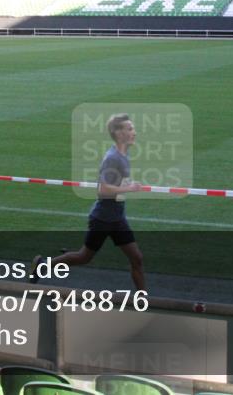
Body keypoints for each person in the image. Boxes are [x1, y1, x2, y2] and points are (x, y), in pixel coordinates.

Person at [31, 113, 146, 290]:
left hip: (117, 218)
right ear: (118, 133)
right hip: (102, 219)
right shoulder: (113, 158)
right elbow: (103, 190)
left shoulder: (123, 153)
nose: (134, 132)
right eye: (130, 129)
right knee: (83, 257)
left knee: (136, 258)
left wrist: (126, 184)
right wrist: (129, 188)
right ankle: (43, 265)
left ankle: (142, 299)